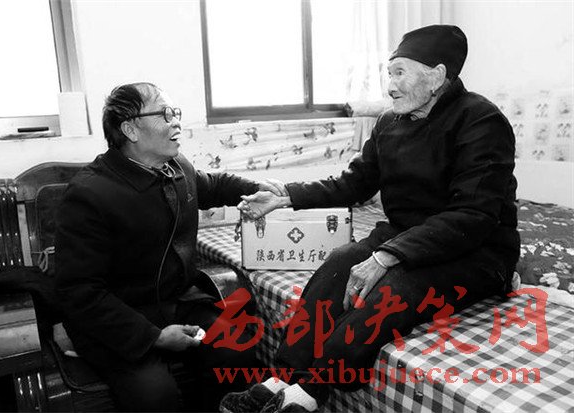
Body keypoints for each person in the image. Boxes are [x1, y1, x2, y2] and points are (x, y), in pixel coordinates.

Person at [221, 25, 520, 413]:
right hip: (405, 235)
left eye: (399, 73)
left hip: (476, 250)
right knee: (340, 262)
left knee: (392, 288)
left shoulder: (481, 121)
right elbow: (354, 183)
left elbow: (473, 215)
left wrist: (386, 256)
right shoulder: (388, 124)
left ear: (436, 77)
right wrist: (286, 196)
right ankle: (283, 376)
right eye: (388, 73)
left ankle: (309, 392)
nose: (389, 86)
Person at [55, 82, 281, 412]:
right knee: (156, 396)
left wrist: (260, 189)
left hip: (178, 302)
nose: (176, 121)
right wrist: (154, 336)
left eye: (175, 112)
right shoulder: (89, 194)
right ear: (130, 129)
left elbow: (212, 185)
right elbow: (79, 291)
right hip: (119, 319)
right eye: (164, 114)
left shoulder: (176, 167)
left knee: (236, 353)